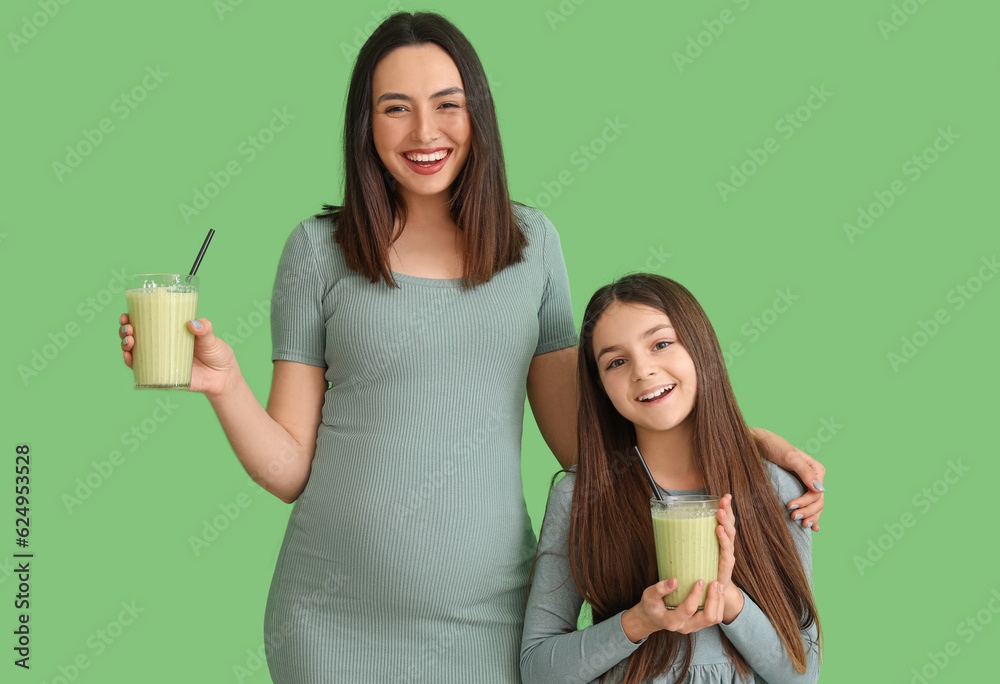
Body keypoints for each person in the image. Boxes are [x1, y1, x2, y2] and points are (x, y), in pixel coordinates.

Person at [117, 13, 825, 683]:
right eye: (395, 107)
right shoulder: (318, 251)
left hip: (487, 622)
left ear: (477, 114)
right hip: (329, 619)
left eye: (446, 104)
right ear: (366, 124)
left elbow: (588, 444)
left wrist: (744, 444)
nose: (424, 130)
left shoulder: (532, 246)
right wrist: (225, 384)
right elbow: (289, 468)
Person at [520, 273, 822, 684]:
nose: (643, 370)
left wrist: (730, 600)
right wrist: (638, 622)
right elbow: (539, 669)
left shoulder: (776, 489)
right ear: (600, 386)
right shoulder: (580, 497)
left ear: (700, 347)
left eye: (661, 343)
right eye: (616, 362)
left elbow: (803, 674)